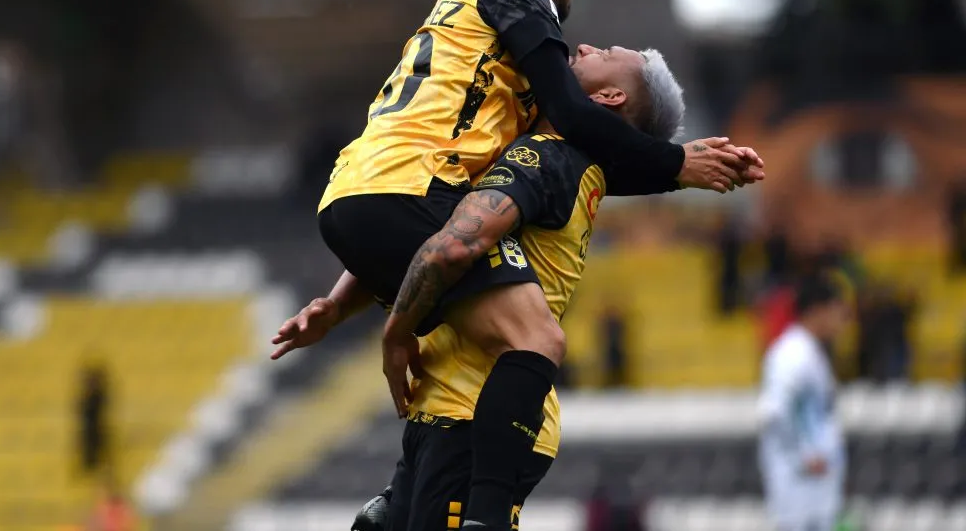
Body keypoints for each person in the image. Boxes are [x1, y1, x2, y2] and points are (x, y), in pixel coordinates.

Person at [276, 43, 754, 530]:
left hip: (475, 419)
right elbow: (423, 234)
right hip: (448, 411)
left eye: (606, 53)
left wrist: (395, 329)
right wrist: (338, 306)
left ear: (610, 95)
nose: (584, 46)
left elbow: (451, 246)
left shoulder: (543, 158)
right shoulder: (555, 160)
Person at [758, 271, 851, 531]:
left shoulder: (810, 352)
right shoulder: (792, 354)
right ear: (817, 311)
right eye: (837, 310)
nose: (842, 319)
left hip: (815, 485)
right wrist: (805, 456)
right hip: (800, 485)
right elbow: (775, 412)